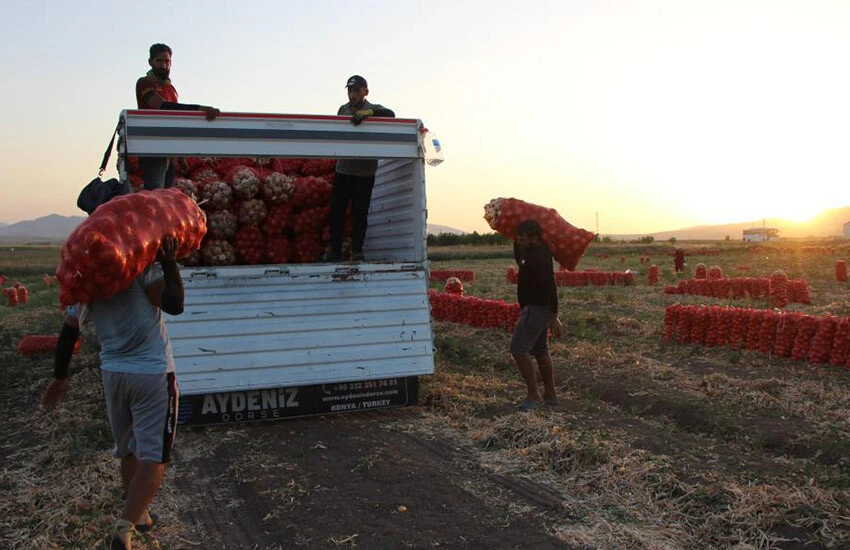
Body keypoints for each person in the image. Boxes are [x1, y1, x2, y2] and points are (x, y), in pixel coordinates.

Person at [42, 235, 185, 550]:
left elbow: (69, 331)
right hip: (152, 373)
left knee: (130, 448)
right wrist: (169, 262)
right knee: (155, 457)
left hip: (114, 375)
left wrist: (60, 377)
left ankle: (141, 515)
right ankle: (123, 532)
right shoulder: (139, 268)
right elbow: (175, 305)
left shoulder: (87, 281)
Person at [326, 75, 395, 261]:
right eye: (349, 91)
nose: (352, 94)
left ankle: (357, 251)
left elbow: (391, 114)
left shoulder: (373, 108)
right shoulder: (343, 109)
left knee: (360, 213)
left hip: (364, 173)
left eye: (356, 90)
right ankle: (335, 253)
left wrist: (369, 113)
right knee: (337, 213)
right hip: (343, 170)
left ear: (365, 91)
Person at [136, 43, 221, 190]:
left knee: (168, 195)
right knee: (155, 193)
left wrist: (180, 154)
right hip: (153, 148)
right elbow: (162, 107)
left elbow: (176, 120)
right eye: (159, 61)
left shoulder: (171, 89)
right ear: (151, 62)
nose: (164, 65)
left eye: (167, 61)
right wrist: (199, 109)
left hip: (170, 149)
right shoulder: (144, 83)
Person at [509, 220, 562, 411]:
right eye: (518, 237)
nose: (519, 240)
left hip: (536, 308)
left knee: (518, 348)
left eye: (522, 238)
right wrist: (517, 242)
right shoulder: (535, 252)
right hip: (539, 308)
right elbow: (520, 259)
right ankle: (550, 395)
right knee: (540, 350)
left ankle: (534, 395)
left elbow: (550, 285)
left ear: (535, 238)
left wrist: (553, 314)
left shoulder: (538, 256)